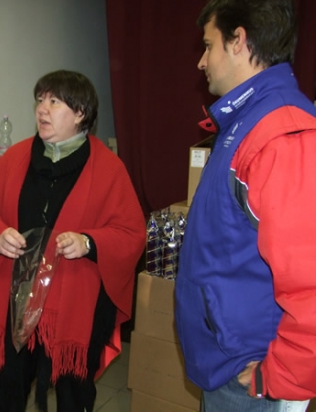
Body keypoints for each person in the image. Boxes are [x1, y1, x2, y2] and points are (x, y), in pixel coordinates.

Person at [0, 69, 145, 412]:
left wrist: (89, 242)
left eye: (54, 101)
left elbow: (131, 232)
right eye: (40, 100)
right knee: (6, 390)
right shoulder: (15, 158)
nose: (42, 109)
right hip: (13, 299)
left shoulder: (109, 169)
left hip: (76, 303)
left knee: (73, 396)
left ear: (80, 113)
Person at [175, 0, 316, 411]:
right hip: (229, 360)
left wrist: (278, 375)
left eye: (208, 45)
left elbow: (310, 279)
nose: (202, 61)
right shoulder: (247, 123)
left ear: (238, 40)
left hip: (253, 375)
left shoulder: (280, 134)